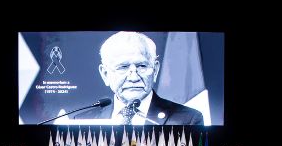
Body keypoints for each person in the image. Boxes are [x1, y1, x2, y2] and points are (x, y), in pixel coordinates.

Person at [64, 31, 206, 125]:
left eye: (142, 66)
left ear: (155, 70)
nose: (133, 77)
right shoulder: (82, 121)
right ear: (105, 74)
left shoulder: (189, 120)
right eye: (123, 67)